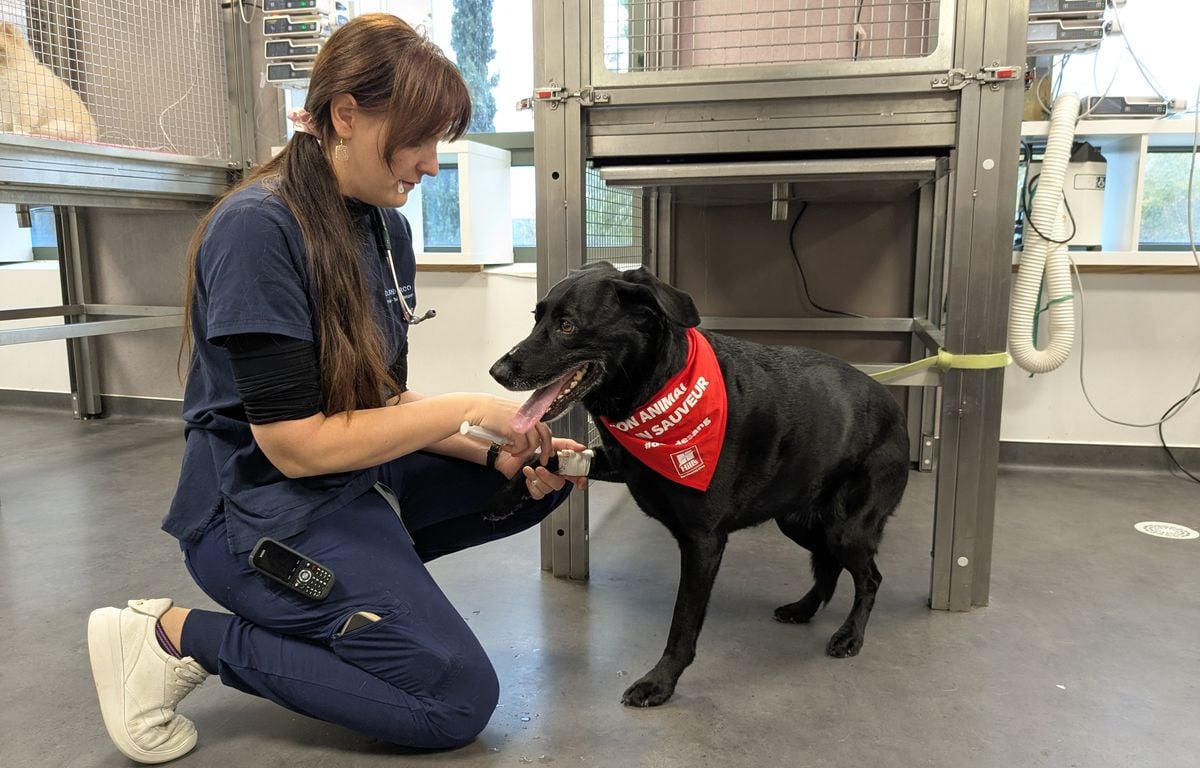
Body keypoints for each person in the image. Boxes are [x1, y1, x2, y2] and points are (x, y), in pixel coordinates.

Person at [86, 14, 582, 764]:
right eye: (417, 139)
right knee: (452, 702)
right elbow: (294, 446)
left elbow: (381, 405)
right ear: (346, 115)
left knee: (528, 485)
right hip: (256, 513)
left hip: (344, 484)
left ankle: (366, 594)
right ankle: (172, 637)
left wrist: (493, 446)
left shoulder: (385, 232)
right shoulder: (259, 228)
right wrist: (467, 410)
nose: (430, 165)